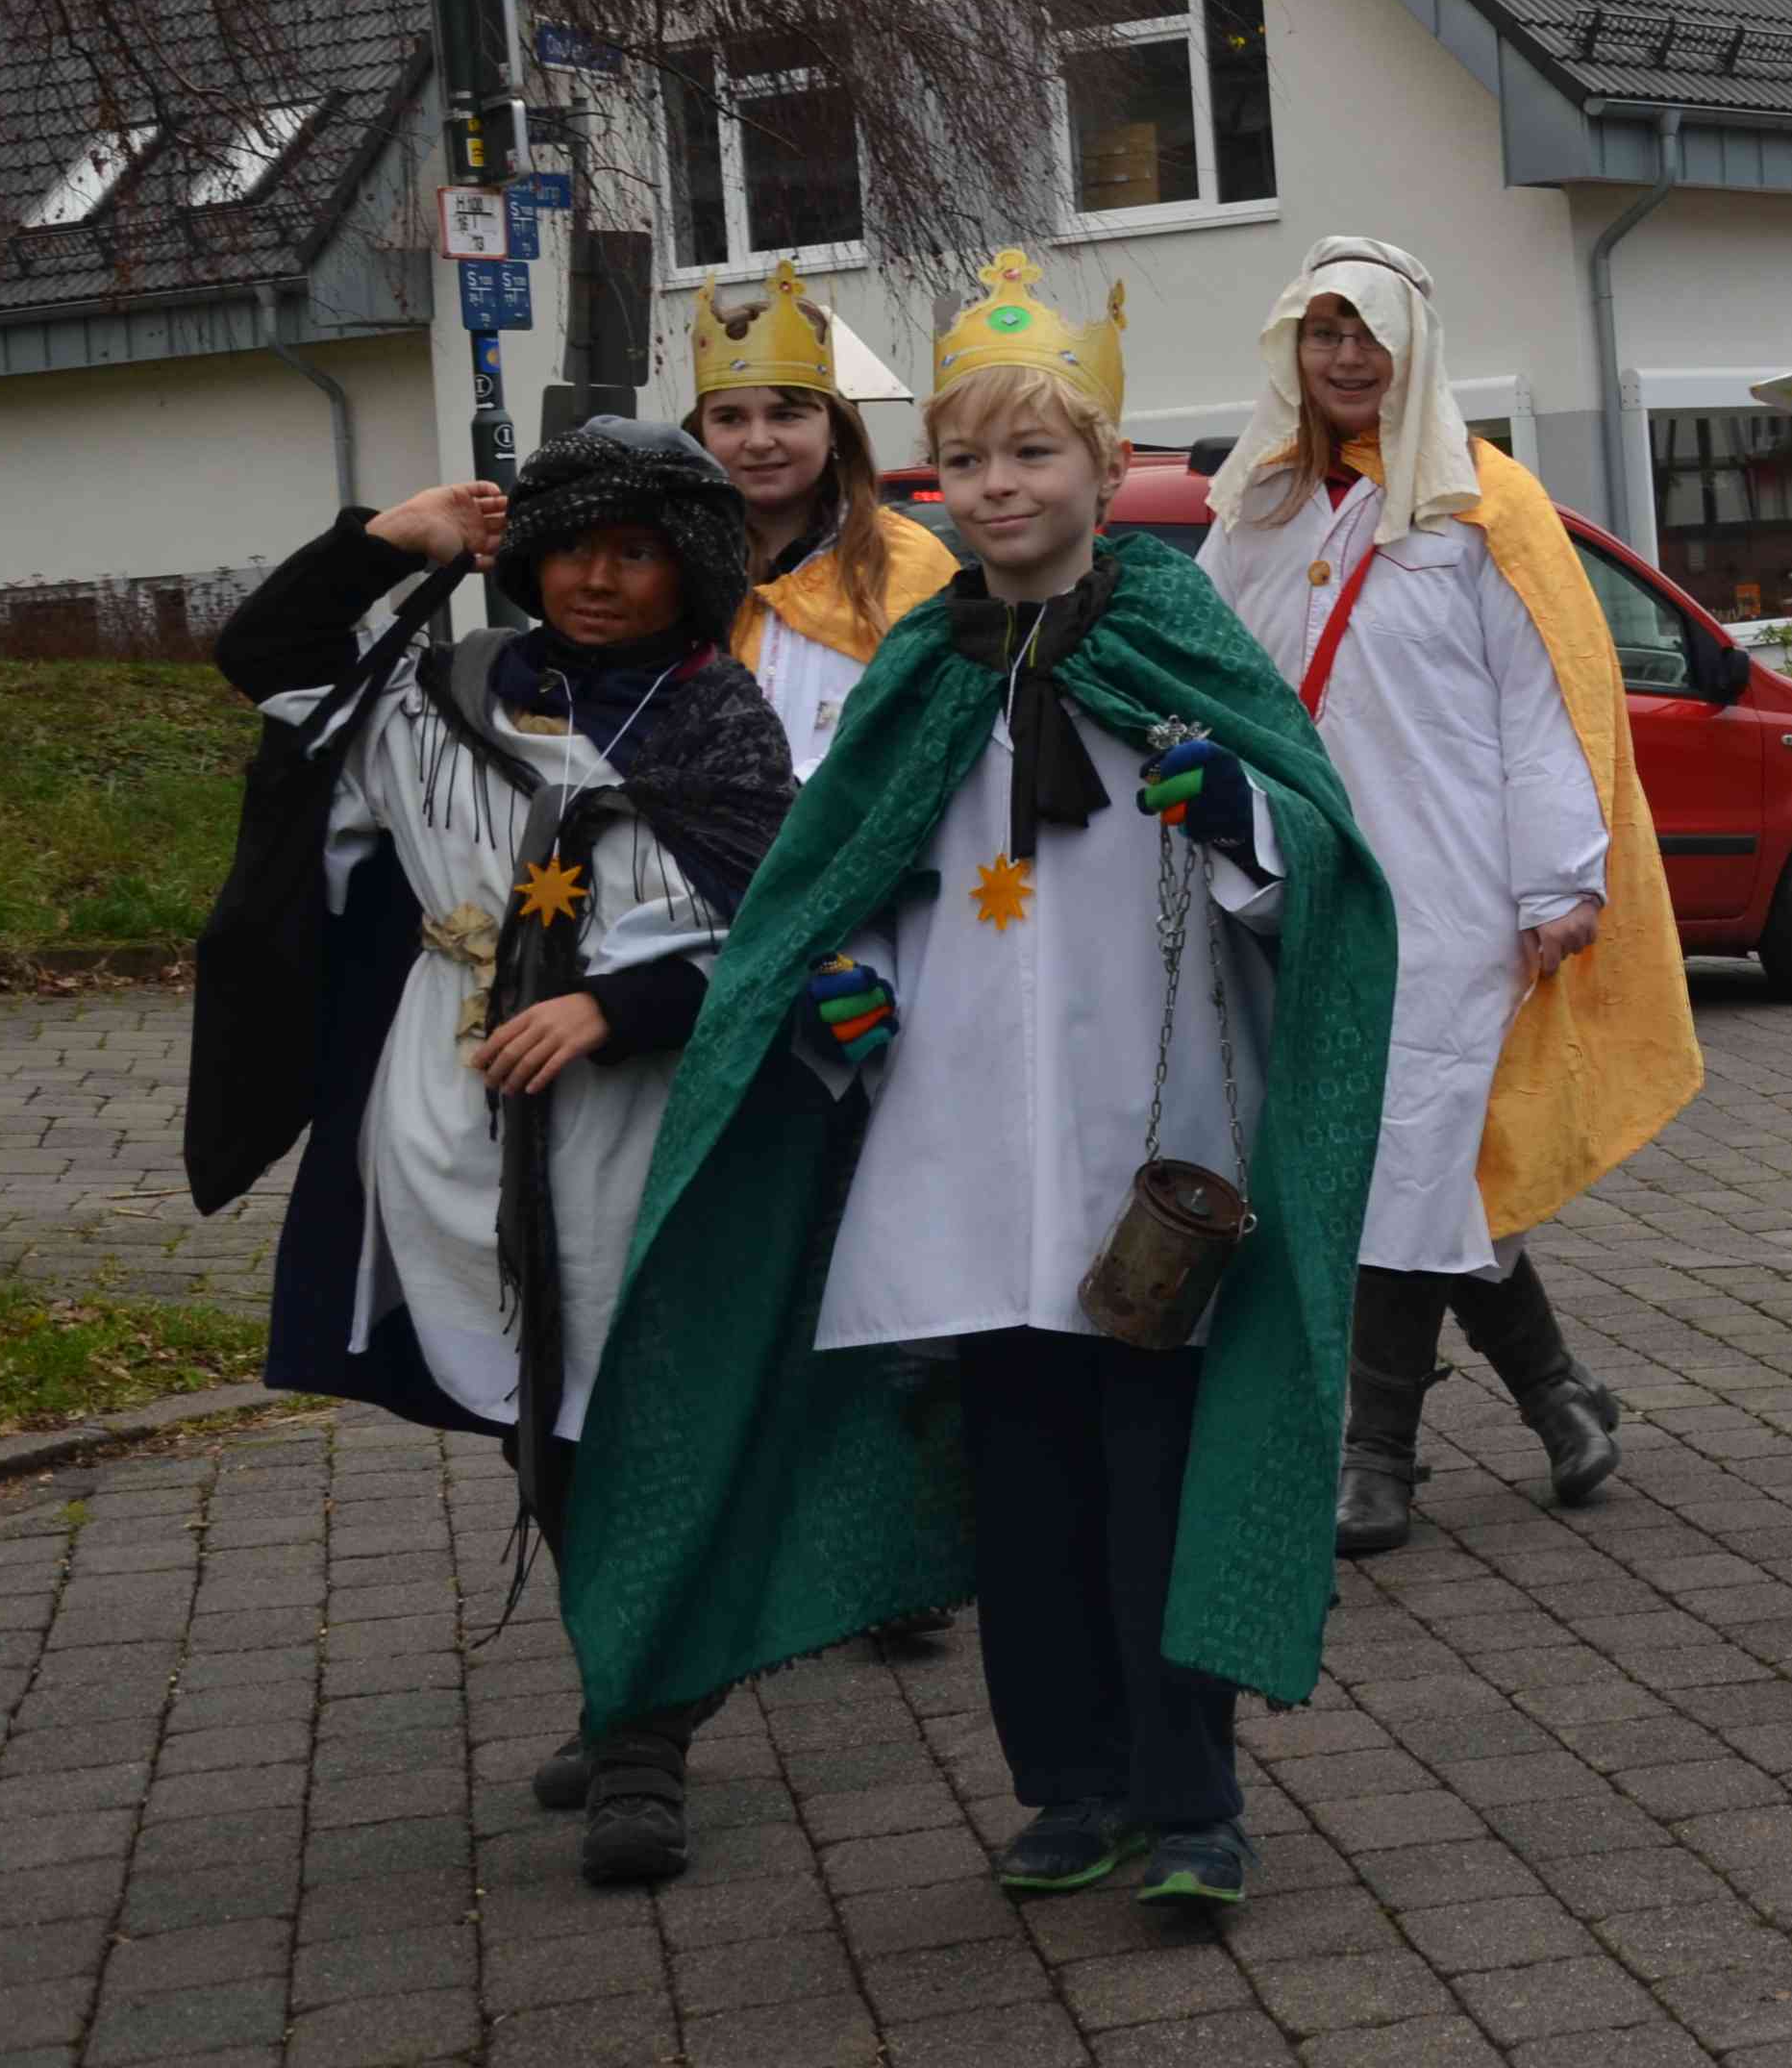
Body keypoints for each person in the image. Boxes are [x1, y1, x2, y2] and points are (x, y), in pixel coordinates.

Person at [561, 253, 1400, 1918]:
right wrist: (845, 993)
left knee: (1153, 1464)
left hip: (1142, 1146)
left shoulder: (1176, 634)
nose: (1004, 486)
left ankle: (1190, 1793)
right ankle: (1069, 1782)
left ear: (1100, 468)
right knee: (1022, 1481)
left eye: (1038, 454)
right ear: (939, 472)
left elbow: (1319, 861)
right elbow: (834, 880)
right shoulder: (924, 670)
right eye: (974, 457)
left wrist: (1227, 801)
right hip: (956, 1150)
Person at [188, 422, 793, 1888]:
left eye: (638, 550)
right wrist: (394, 538)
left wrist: (615, 1004)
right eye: (575, 545)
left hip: (638, 1124)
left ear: (690, 569)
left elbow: (787, 942)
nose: (598, 577)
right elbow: (261, 649)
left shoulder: (721, 730)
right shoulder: (441, 693)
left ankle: (642, 1733)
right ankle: (629, 1675)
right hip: (449, 1115)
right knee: (540, 1412)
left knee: (629, 1418)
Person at [1197, 236, 1701, 1555]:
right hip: (1302, 891)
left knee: (1405, 1164)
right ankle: (1561, 1396)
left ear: (1415, 346)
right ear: (1289, 351)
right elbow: (1205, 684)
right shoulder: (1254, 507)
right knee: (1416, 1172)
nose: (1347, 358)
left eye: (1368, 334)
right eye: (1322, 335)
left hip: (1454, 902)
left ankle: (1378, 1459)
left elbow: (1549, 709)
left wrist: (1559, 881)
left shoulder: (1488, 507)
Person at [687, 258, 958, 770]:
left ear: (833, 427)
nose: (759, 440)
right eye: (729, 418)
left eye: (787, 414)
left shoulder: (911, 565)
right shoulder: (676, 564)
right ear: (700, 431)